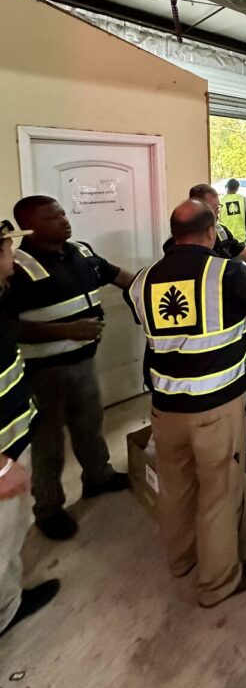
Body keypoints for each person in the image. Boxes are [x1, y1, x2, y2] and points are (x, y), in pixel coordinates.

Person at [126, 200, 246, 607]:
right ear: (211, 232)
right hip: (216, 408)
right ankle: (217, 583)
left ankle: (181, 560)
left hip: (165, 409)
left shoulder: (143, 279)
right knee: (219, 493)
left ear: (174, 234)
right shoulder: (226, 272)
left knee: (175, 487)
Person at [8, 197, 134, 541]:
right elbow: (7, 328)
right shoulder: (15, 268)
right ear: (29, 227)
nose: (64, 220)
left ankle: (98, 477)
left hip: (83, 362)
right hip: (42, 373)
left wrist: (156, 285)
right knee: (47, 443)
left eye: (63, 213)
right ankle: (48, 508)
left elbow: (119, 276)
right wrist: (67, 330)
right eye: (53, 217)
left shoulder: (81, 250)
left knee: (89, 425)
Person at [1, 220, 60, 651]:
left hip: (13, 439)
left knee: (12, 534)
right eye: (7, 250)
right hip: (1, 459)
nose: (13, 258)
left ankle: (8, 605)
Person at [183, 185, 246, 269]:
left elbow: (241, 252)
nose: (217, 211)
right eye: (213, 208)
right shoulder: (182, 238)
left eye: (218, 207)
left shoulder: (221, 231)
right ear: (196, 208)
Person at [220, 179, 246, 245]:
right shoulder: (244, 200)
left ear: (226, 187)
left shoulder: (220, 201)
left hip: (225, 240)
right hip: (240, 239)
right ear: (237, 188)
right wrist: (245, 239)